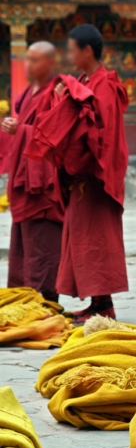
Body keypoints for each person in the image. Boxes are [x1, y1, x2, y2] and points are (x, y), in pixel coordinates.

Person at [26, 24, 129, 322]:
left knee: (97, 240)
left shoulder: (105, 84)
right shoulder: (85, 81)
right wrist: (64, 102)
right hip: (81, 176)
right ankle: (99, 302)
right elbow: (74, 120)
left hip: (95, 176)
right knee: (84, 239)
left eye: (72, 50)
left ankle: (104, 307)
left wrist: (87, 165)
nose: (69, 56)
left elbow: (102, 134)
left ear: (86, 51)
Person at [4, 42, 63, 301]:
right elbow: (29, 123)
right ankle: (26, 299)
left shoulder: (56, 92)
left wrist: (22, 130)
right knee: (24, 244)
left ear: (50, 63)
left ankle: (49, 301)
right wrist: (15, 126)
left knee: (44, 244)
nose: (28, 65)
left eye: (35, 60)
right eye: (27, 59)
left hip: (43, 182)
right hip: (25, 180)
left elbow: (57, 132)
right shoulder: (28, 93)